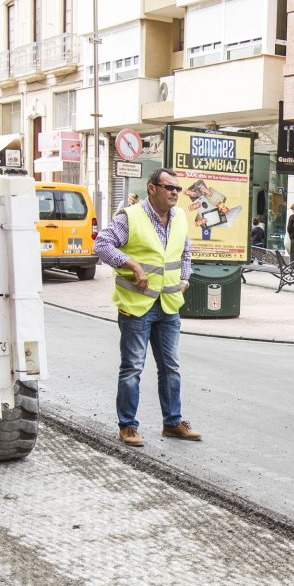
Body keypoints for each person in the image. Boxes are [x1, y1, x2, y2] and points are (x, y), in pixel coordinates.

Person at [94, 168, 202, 447]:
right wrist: (131, 264)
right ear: (152, 188)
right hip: (137, 305)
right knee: (132, 368)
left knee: (171, 367)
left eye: (177, 189)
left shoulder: (179, 218)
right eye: (169, 188)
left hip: (169, 304)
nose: (175, 193)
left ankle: (173, 422)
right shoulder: (130, 216)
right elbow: (102, 245)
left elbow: (185, 252)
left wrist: (186, 279)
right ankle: (128, 426)